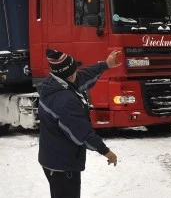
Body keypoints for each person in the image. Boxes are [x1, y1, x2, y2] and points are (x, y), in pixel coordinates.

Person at [37, 49, 121, 198]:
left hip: (53, 159)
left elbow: (84, 76)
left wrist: (106, 65)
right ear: (69, 74)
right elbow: (82, 133)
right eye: (75, 69)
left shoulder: (54, 82)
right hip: (62, 166)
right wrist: (106, 151)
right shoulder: (64, 100)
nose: (78, 72)